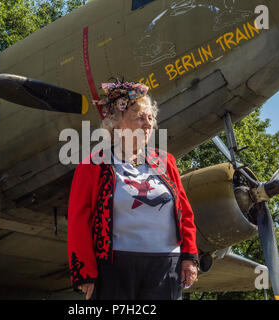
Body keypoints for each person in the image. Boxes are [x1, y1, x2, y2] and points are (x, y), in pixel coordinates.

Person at [67, 79, 198, 300]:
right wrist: (85, 273)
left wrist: (189, 257)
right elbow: (79, 220)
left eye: (150, 118)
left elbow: (184, 212)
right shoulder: (92, 164)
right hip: (115, 268)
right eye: (139, 118)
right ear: (117, 124)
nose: (148, 124)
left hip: (166, 267)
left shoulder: (167, 161)